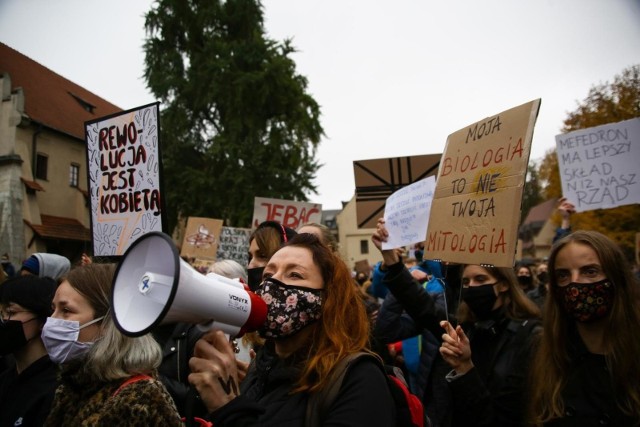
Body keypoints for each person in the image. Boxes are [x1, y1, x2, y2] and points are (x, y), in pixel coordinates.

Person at [188, 233, 395, 425]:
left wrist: (229, 410)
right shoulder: (259, 368)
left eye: (294, 274)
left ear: (328, 298)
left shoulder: (359, 378)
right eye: (268, 274)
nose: (272, 282)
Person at [372, 217, 541, 427]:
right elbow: (424, 309)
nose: (472, 287)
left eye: (481, 280)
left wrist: (466, 369)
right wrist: (392, 262)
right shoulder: (466, 329)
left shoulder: (530, 335)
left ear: (504, 284)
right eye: (466, 282)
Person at [43, 263, 182, 426]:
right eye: (53, 309)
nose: (52, 320)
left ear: (107, 322)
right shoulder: (74, 384)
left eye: (66, 310)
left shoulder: (138, 399)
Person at [529, 230, 640, 426]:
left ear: (617, 278)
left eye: (590, 272)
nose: (574, 284)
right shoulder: (546, 354)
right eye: (563, 275)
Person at [0, 275, 58, 427]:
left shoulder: (54, 389)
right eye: (1, 313)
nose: (3, 319)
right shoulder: (6, 379)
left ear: (43, 320)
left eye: (11, 312)